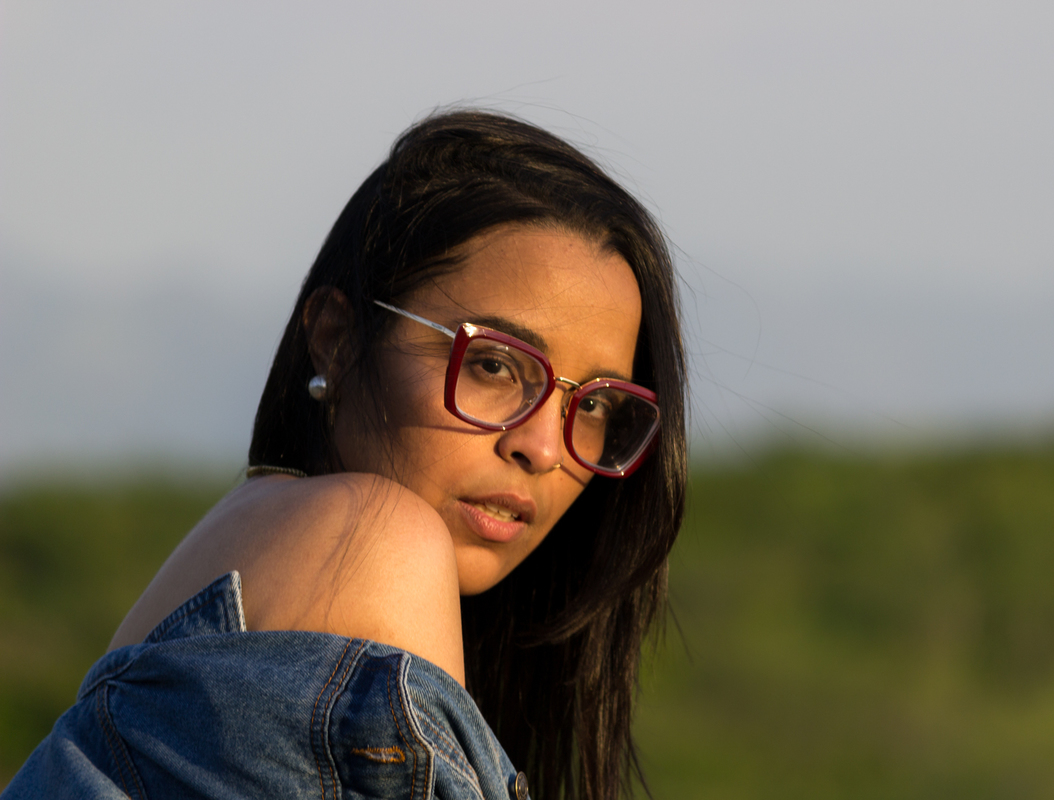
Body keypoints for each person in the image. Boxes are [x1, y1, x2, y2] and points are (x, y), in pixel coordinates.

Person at [3, 109, 687, 800]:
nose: (541, 447)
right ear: (337, 338)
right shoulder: (372, 540)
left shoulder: (250, 552)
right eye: (493, 365)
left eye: (594, 405)